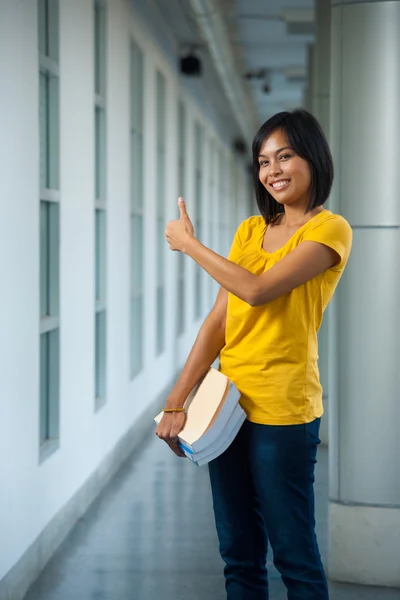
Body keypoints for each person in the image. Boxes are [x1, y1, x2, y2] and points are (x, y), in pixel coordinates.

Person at [156, 108, 353, 600]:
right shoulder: (249, 232)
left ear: (314, 159)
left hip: (283, 413)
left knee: (294, 556)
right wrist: (177, 401)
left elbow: (259, 289)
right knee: (238, 554)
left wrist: (190, 245)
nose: (274, 171)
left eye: (285, 156)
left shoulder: (329, 231)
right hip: (228, 407)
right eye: (264, 161)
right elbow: (218, 323)